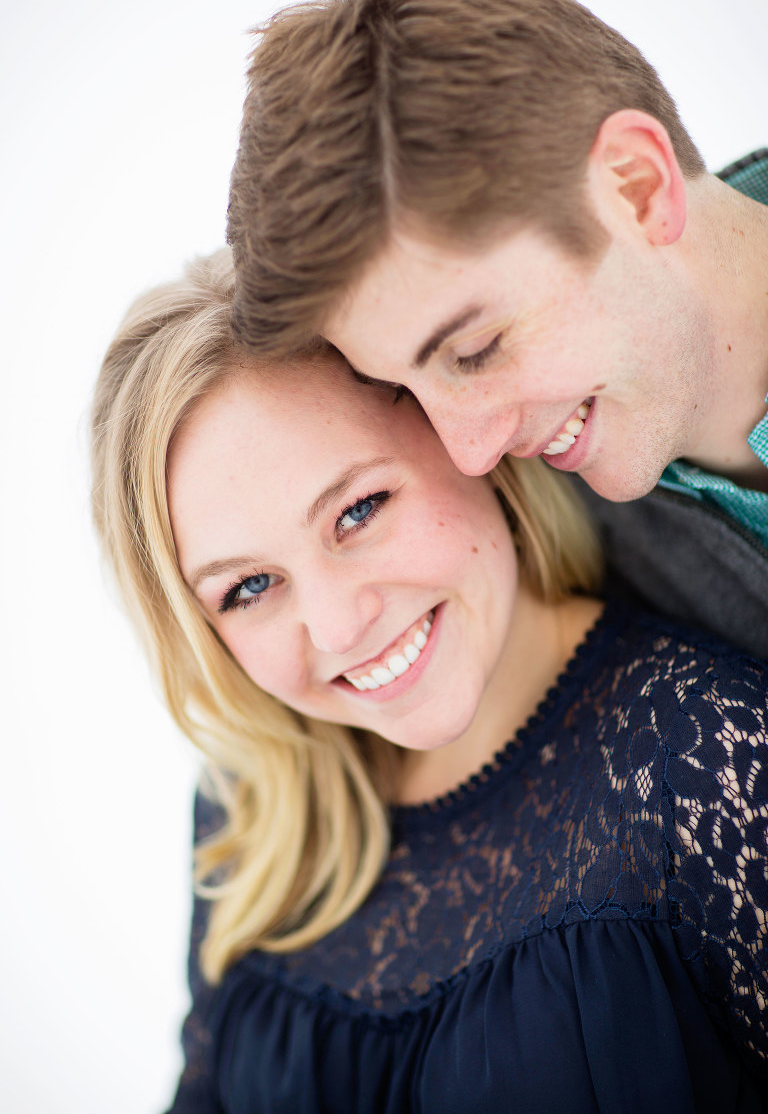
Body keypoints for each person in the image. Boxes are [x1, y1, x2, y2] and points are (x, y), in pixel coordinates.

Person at [91, 249, 768, 1112]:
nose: (338, 627)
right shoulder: (256, 806)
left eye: (359, 510)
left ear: (465, 437)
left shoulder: (712, 758)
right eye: (249, 588)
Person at [226, 0, 768, 657]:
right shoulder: (538, 523)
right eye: (407, 391)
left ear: (638, 187)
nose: (471, 452)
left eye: (477, 348)